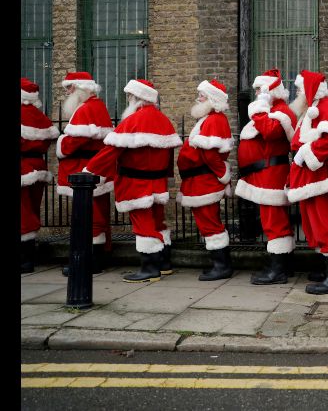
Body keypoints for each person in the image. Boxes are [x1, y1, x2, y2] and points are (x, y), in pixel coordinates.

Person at [84, 79, 182, 282]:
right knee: (157, 221)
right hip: (157, 182)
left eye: (129, 96)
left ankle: (149, 269)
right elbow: (168, 157)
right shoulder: (164, 120)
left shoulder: (133, 121)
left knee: (143, 224)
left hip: (136, 183)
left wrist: (89, 170)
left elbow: (110, 151)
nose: (127, 99)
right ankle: (163, 263)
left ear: (136, 98)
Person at [286, 70, 328, 295]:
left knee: (325, 222)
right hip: (310, 176)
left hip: (322, 175)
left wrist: (308, 152)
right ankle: (326, 268)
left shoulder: (326, 106)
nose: (296, 93)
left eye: (299, 89)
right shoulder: (311, 109)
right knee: (313, 223)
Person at [234, 69, 298, 285]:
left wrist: (259, 111)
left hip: (272, 174)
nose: (257, 93)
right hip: (263, 174)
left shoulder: (281, 112)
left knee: (274, 221)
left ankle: (278, 270)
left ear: (271, 91)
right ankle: (283, 265)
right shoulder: (269, 111)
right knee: (271, 219)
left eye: (260, 89)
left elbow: (271, 133)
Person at [56, 72, 115, 276]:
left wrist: (61, 145)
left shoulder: (87, 108)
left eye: (70, 87)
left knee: (91, 214)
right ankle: (98, 257)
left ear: (81, 87)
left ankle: (91, 262)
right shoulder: (96, 106)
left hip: (86, 169)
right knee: (96, 212)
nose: (68, 92)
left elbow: (74, 141)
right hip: (95, 169)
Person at [177, 79, 234, 281]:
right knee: (206, 221)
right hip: (199, 180)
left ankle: (222, 265)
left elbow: (210, 155)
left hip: (205, 181)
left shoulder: (214, 120)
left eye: (202, 95)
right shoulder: (209, 118)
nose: (198, 98)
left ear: (212, 99)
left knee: (209, 222)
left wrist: (222, 175)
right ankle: (220, 264)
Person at [20, 78, 60, 273]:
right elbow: (51, 136)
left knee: (23, 212)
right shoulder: (38, 115)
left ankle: (25, 259)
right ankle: (28, 254)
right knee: (32, 209)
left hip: (22, 167)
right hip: (38, 165)